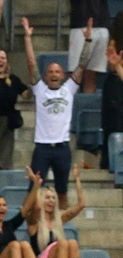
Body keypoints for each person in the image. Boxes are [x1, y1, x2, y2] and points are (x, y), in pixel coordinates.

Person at [24, 17, 92, 210]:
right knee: (34, 188)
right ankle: (30, 225)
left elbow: (82, 65)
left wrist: (87, 41)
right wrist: (28, 38)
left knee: (62, 191)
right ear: (46, 76)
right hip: (42, 148)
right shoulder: (39, 90)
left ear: (63, 75)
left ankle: (61, 227)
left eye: (57, 72)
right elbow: (30, 64)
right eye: (51, 72)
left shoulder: (69, 89)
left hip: (62, 148)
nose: (54, 74)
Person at [27, 166, 87, 258]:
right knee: (63, 243)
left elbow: (82, 205)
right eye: (47, 198)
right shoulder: (34, 221)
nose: (51, 201)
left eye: (53, 198)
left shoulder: (59, 218)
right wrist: (36, 185)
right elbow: (37, 207)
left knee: (73, 243)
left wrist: (77, 179)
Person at [70, 0, 111, 93]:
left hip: (101, 24)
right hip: (81, 23)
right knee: (76, 72)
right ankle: (69, 105)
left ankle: (86, 104)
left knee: (91, 73)